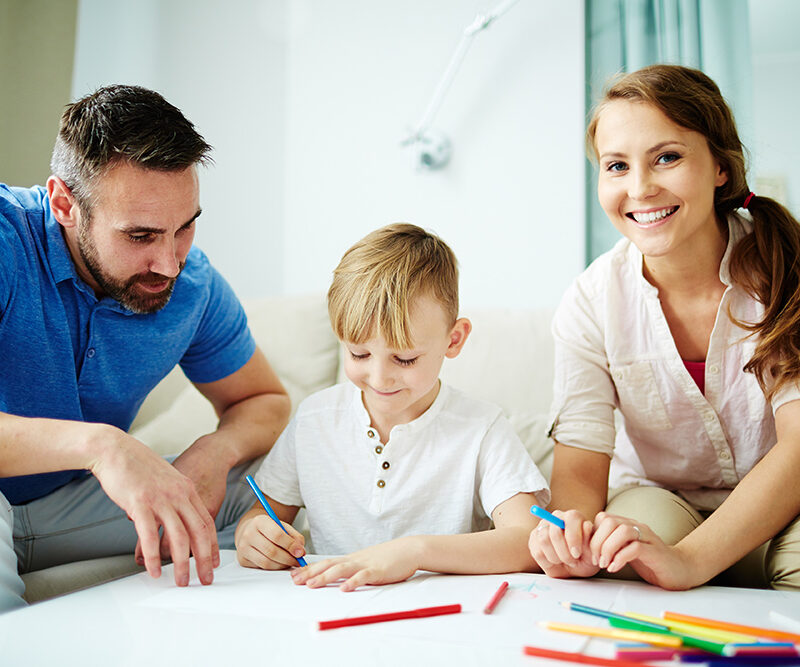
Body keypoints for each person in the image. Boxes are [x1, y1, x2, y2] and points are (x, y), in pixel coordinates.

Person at [0, 85, 291, 613]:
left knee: (265, 487)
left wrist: (216, 451)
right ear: (65, 204)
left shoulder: (195, 287)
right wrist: (102, 446)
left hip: (62, 507)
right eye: (140, 236)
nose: (170, 262)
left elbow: (264, 402)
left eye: (185, 227)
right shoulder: (5, 243)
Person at [528, 64, 800, 591]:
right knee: (620, 548)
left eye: (667, 157)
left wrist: (693, 562)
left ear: (721, 166)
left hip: (785, 503)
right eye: (616, 166)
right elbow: (582, 468)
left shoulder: (786, 271)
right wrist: (572, 538)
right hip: (663, 498)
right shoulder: (590, 302)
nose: (641, 188)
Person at [235, 223, 549, 589]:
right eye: (359, 353)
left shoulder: (481, 428)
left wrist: (415, 552)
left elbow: (528, 541)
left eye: (404, 359)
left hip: (439, 618)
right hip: (327, 610)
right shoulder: (314, 419)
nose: (380, 378)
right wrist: (251, 534)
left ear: (454, 339)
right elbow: (261, 514)